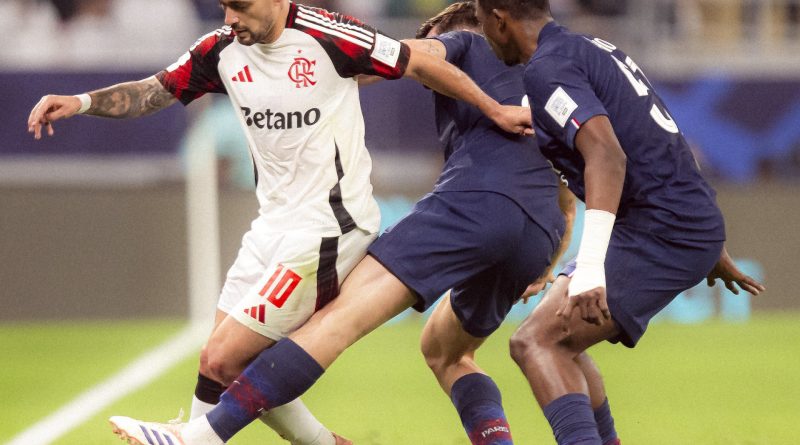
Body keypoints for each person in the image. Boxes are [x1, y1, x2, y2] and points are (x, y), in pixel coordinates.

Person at [26, 1, 531, 444]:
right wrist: (82, 103)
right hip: (270, 225)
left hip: (329, 226)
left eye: (241, 6)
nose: (231, 18)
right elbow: (155, 90)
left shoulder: (331, 36)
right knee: (222, 363)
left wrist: (495, 110)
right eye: (224, 7)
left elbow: (418, 61)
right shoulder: (219, 49)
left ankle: (192, 439)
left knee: (223, 358)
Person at [471, 1, 766, 444]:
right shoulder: (594, 48)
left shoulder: (548, 69)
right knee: (558, 339)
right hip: (675, 220)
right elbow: (655, 136)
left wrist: (590, 268)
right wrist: (707, 238)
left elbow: (608, 156)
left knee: (537, 342)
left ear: (499, 20)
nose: (484, 35)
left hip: (661, 229)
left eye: (481, 23)